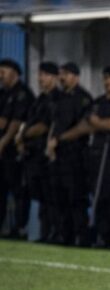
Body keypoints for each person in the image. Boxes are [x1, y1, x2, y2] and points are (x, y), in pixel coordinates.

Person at [67, 66, 110, 249]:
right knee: (99, 199)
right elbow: (85, 125)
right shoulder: (98, 103)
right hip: (97, 157)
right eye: (105, 78)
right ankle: (103, 236)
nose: (108, 82)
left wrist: (96, 123)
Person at [47, 62, 93, 246]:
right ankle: (63, 235)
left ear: (75, 76)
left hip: (75, 157)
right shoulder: (59, 98)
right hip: (59, 156)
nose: (61, 77)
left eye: (65, 73)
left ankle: (81, 237)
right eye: (60, 74)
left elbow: (84, 126)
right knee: (59, 198)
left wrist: (59, 139)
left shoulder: (83, 98)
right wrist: (50, 145)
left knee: (77, 198)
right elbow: (55, 124)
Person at [15, 61, 61, 242]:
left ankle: (54, 232)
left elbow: (43, 126)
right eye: (40, 75)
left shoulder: (55, 99)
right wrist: (22, 139)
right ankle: (44, 232)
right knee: (41, 196)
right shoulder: (40, 99)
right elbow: (28, 121)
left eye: (45, 75)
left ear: (54, 77)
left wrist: (22, 136)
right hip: (32, 154)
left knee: (50, 196)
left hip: (45, 155)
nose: (41, 79)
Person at [0, 59, 34, 239]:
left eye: (3, 71)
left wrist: (3, 142)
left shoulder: (23, 94)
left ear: (14, 72)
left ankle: (20, 228)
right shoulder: (3, 93)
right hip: (3, 150)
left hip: (15, 150)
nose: (0, 75)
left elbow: (14, 123)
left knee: (19, 190)